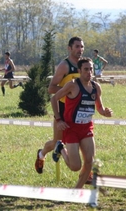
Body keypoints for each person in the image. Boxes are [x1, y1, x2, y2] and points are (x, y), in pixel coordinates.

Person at [51, 57, 113, 188]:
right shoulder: (72, 85)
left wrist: (105, 112)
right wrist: (58, 119)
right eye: (86, 69)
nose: (89, 72)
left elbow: (99, 108)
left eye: (91, 69)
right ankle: (60, 148)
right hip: (71, 128)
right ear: (79, 70)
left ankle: (76, 190)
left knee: (89, 162)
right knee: (75, 166)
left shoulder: (96, 87)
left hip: (86, 128)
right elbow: (54, 98)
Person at [35, 37, 84, 174]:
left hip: (79, 110)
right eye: (77, 46)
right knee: (58, 142)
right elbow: (51, 88)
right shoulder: (65, 65)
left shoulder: (84, 66)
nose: (80, 49)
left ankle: (87, 173)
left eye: (81, 47)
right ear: (69, 48)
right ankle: (41, 154)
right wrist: (68, 92)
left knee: (83, 141)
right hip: (64, 109)